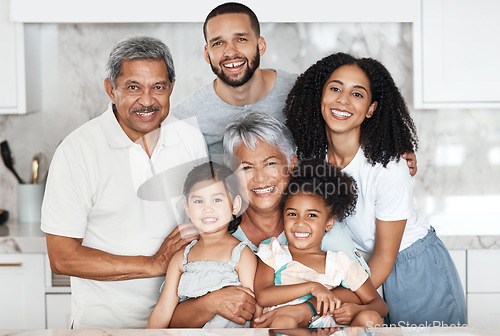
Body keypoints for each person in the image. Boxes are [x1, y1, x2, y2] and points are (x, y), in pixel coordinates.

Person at [284, 52, 466, 325]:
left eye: (357, 94)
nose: (343, 100)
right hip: (363, 273)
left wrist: (316, 305)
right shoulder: (313, 158)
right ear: (320, 97)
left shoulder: (389, 166)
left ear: (371, 109)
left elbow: (383, 257)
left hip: (413, 267)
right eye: (335, 88)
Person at [41, 36, 208, 329]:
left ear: (171, 87)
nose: (147, 101)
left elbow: (207, 222)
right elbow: (62, 258)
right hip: (105, 325)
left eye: (158, 87)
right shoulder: (77, 151)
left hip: (181, 321)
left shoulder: (190, 139)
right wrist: (152, 264)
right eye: (133, 88)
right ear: (111, 89)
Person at [169, 112, 368, 328]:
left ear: (291, 164)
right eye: (246, 167)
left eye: (270, 163)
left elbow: (359, 291)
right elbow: (171, 319)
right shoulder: (213, 230)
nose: (260, 178)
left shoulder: (319, 225)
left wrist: (305, 309)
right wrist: (211, 303)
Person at [254, 160, 387, 329]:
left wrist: (355, 311)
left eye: (312, 216)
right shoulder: (274, 252)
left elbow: (380, 305)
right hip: (288, 327)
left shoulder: (340, 263)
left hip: (331, 331)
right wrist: (313, 287)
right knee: (283, 322)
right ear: (283, 216)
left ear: (329, 223)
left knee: (371, 317)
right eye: (293, 214)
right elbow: (263, 296)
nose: (300, 223)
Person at [171, 2, 298, 158]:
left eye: (241, 39)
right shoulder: (186, 118)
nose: (230, 52)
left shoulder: (302, 92)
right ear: (207, 54)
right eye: (218, 43)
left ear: (261, 46)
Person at [147, 161, 259, 328]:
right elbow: (164, 310)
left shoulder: (241, 254)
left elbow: (253, 308)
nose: (208, 208)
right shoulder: (181, 258)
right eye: (199, 201)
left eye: (217, 199)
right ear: (188, 208)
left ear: (235, 205)